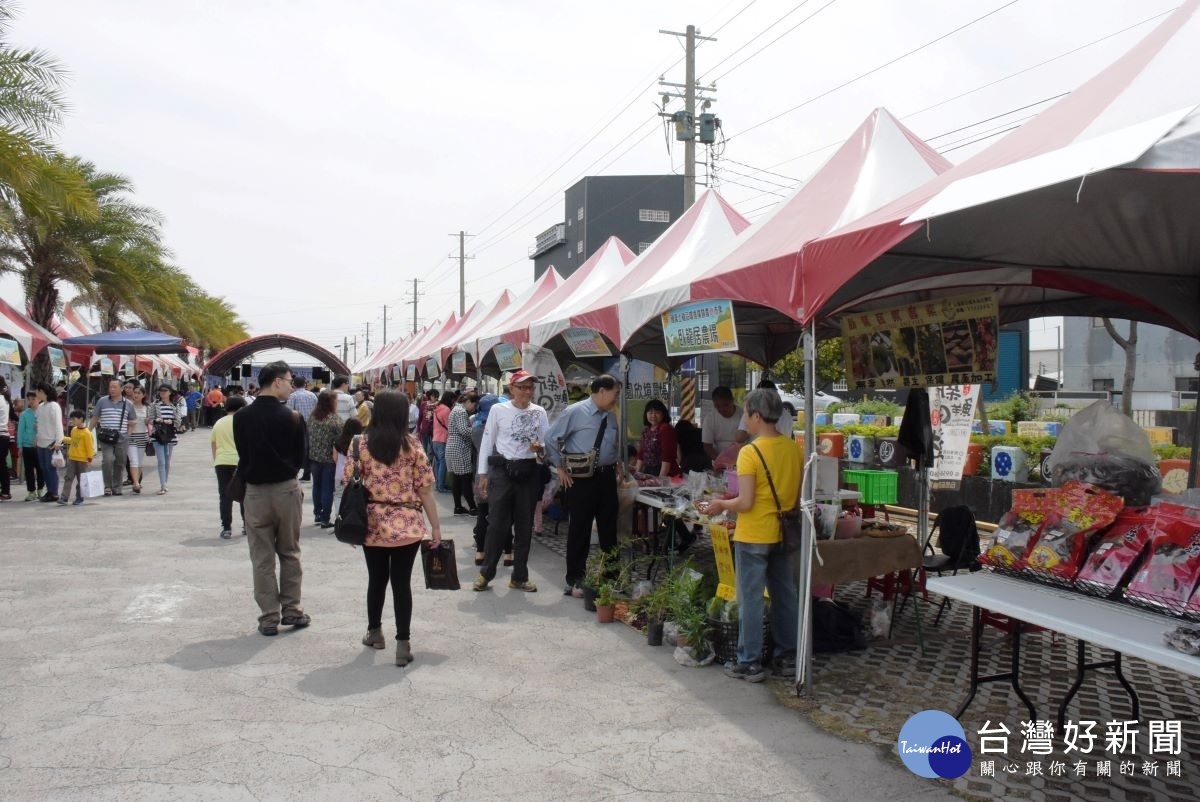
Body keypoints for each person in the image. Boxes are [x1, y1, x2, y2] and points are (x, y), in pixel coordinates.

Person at [697, 388, 801, 683]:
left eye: (746, 415)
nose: (744, 420)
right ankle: (787, 657)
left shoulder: (750, 452)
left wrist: (720, 504)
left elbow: (745, 503)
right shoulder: (794, 449)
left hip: (754, 533)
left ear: (757, 416)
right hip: (784, 533)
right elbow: (795, 495)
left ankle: (750, 661)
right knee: (784, 595)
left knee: (751, 599)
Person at [346, 390, 442, 667]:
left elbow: (349, 483)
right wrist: (435, 527)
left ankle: (374, 633)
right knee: (402, 584)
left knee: (376, 579)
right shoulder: (413, 446)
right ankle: (403, 643)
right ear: (402, 414)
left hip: (371, 522)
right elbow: (425, 491)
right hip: (408, 523)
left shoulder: (359, 445)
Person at [233, 360, 309, 636]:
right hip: (286, 491)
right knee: (289, 551)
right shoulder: (292, 418)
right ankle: (292, 610)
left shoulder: (241, 417)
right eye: (289, 381)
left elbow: (243, 453)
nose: (290, 386)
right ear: (277, 381)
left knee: (261, 557)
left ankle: (268, 617)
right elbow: (301, 459)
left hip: (254, 493)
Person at [544, 374, 621, 596]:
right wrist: (559, 466)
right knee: (580, 529)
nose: (616, 397)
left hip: (607, 479)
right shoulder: (575, 412)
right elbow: (550, 438)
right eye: (615, 393)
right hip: (581, 479)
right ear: (602, 391)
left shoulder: (611, 416)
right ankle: (575, 578)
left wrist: (617, 463)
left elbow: (611, 444)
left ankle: (611, 578)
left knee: (609, 529)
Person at [473, 370, 548, 593]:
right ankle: (486, 574)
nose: (527, 392)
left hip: (529, 472)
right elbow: (487, 442)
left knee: (524, 527)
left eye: (530, 388)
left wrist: (540, 449)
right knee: (497, 525)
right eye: (522, 387)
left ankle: (519, 576)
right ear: (512, 389)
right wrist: (483, 474)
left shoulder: (540, 412)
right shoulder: (498, 410)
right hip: (503, 472)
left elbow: (545, 446)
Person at [469, 394, 512, 567]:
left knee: (482, 514)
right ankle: (509, 553)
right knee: (504, 516)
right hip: (501, 475)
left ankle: (480, 552)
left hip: (482, 474)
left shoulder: (475, 428)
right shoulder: (500, 428)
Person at [91, 379, 135, 497]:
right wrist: (88, 431)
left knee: (120, 462)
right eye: (110, 387)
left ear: (121, 389)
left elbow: (132, 421)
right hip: (106, 437)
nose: (112, 389)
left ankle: (117, 486)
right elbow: (95, 417)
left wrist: (128, 435)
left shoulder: (128, 404)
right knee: (108, 460)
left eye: (115, 387)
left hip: (122, 438)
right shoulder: (102, 401)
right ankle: (107, 486)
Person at [212, 395, 246, 539]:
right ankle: (246, 525)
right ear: (241, 407)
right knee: (244, 495)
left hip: (222, 462)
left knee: (225, 496)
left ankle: (226, 528)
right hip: (240, 461)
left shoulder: (219, 423)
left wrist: (217, 459)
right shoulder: (244, 422)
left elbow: (213, 444)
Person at [307, 390, 342, 529]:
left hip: (314, 457)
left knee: (317, 485)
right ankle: (325, 518)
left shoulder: (313, 417)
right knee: (327, 488)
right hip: (329, 459)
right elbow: (341, 440)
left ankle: (317, 514)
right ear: (331, 402)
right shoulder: (335, 420)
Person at [446, 392, 479, 516]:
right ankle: (472, 508)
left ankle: (458, 507)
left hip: (453, 445)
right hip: (460, 447)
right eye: (474, 405)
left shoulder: (455, 409)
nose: (474, 409)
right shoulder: (460, 411)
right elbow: (464, 430)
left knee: (457, 479)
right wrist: (478, 429)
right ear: (469, 401)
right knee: (465, 477)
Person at [58, 410, 95, 506]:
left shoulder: (87, 433)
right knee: (68, 477)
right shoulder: (74, 430)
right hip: (72, 458)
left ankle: (79, 497)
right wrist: (64, 439)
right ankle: (64, 497)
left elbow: (89, 446)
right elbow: (73, 441)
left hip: (82, 460)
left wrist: (89, 458)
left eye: (74, 419)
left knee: (81, 480)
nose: (72, 421)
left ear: (81, 419)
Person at [633, 399, 678, 478]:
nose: (653, 415)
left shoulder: (666, 428)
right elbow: (641, 454)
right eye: (650, 412)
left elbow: (666, 457)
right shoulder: (646, 430)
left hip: (665, 473)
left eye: (657, 412)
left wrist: (660, 481)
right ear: (646, 414)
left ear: (663, 414)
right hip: (649, 471)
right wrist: (635, 475)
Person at [148, 386, 180, 494]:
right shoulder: (154, 404)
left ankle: (165, 483)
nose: (162, 393)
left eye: (165, 391)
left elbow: (178, 422)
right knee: (161, 460)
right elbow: (149, 419)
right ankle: (163, 485)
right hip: (158, 435)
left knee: (167, 460)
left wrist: (169, 421)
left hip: (170, 435)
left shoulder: (175, 405)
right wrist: (156, 420)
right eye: (161, 391)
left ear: (170, 392)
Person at [34, 383, 62, 503]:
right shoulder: (40, 407)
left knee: (50, 468)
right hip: (41, 441)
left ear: (42, 391)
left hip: (50, 441)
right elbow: (39, 424)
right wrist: (36, 437)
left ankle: (54, 492)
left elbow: (58, 424)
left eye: (37, 391)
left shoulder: (54, 406)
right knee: (43, 468)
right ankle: (49, 491)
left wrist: (58, 441)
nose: (36, 393)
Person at [286, 377, 318, 482]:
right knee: (309, 449)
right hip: (312, 426)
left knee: (297, 449)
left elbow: (289, 413)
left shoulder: (292, 396)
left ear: (293, 384)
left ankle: (294, 471)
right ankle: (307, 473)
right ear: (305, 384)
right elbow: (318, 410)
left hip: (297, 426)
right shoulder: (312, 395)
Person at [332, 417, 364, 519]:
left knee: (338, 495)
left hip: (339, 473)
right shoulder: (359, 441)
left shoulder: (337, 440)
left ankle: (338, 517)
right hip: (354, 474)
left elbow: (335, 458)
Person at [702, 386, 742, 464]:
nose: (722, 409)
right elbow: (707, 445)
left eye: (726, 405)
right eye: (718, 406)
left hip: (741, 459)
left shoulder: (743, 415)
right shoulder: (710, 418)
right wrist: (720, 461)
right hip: (718, 460)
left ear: (732, 401)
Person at [17, 391, 42, 501]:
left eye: (34, 399)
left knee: (41, 469)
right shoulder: (24, 414)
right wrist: (20, 446)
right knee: (28, 470)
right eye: (29, 399)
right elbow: (20, 431)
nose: (31, 401)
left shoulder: (43, 412)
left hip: (41, 445)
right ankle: (31, 491)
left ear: (39, 399)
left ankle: (41, 490)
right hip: (27, 446)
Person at [430, 390, 455, 494]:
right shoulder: (446, 410)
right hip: (443, 439)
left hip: (435, 439)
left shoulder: (438, 408)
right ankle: (441, 486)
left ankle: (438, 484)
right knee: (443, 463)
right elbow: (449, 425)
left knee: (439, 463)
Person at [126, 385, 150, 494]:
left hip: (143, 437)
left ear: (143, 395)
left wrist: (148, 422)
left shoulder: (147, 408)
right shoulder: (128, 406)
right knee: (133, 461)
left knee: (139, 462)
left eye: (138, 393)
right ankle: (135, 483)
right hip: (131, 437)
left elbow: (150, 422)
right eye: (135, 392)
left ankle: (137, 482)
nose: (136, 395)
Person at [0, 380, 10, 500]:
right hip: (4, 435)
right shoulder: (5, 399)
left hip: (1, 435)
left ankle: (6, 491)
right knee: (2, 465)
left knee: (1, 465)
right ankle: (6, 491)